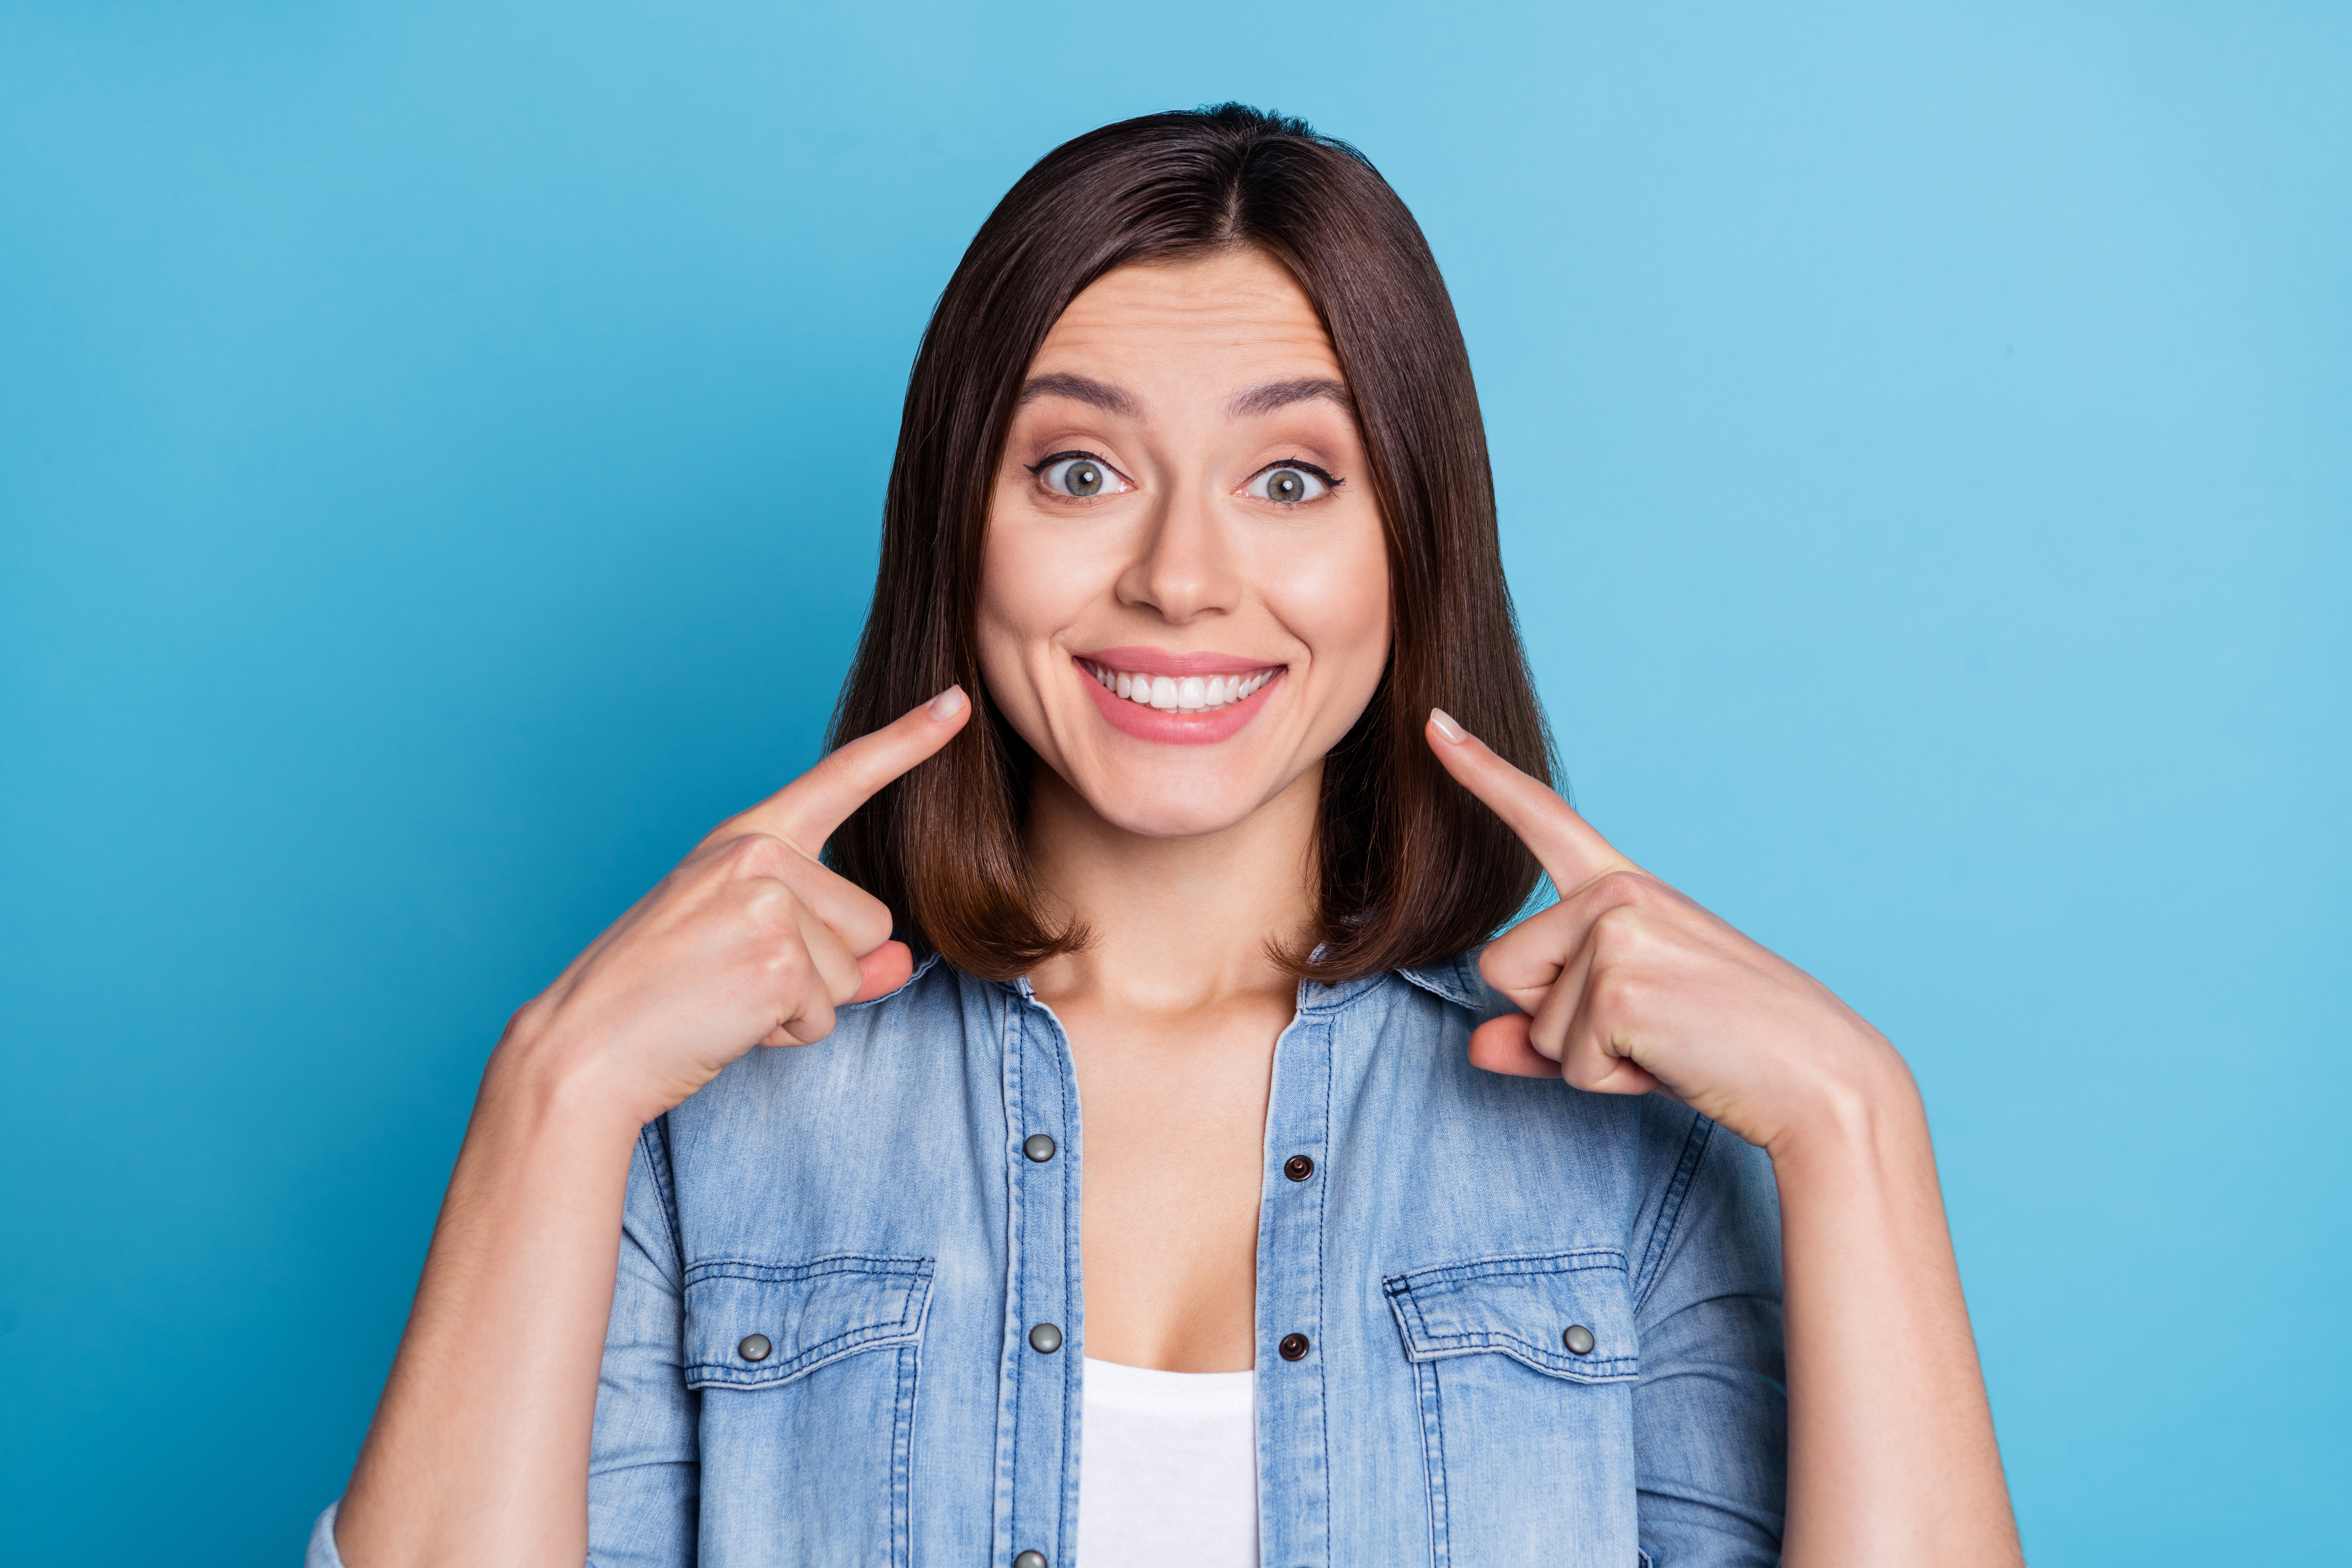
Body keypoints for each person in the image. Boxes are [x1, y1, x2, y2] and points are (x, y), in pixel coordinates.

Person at [312, 105, 2021, 1568]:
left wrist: (1854, 1120)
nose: (1183, 579)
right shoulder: (701, 1134)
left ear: (1412, 544)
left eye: (1292, 479)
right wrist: (555, 1088)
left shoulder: (1638, 1157)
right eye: (1079, 472)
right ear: (958, 528)